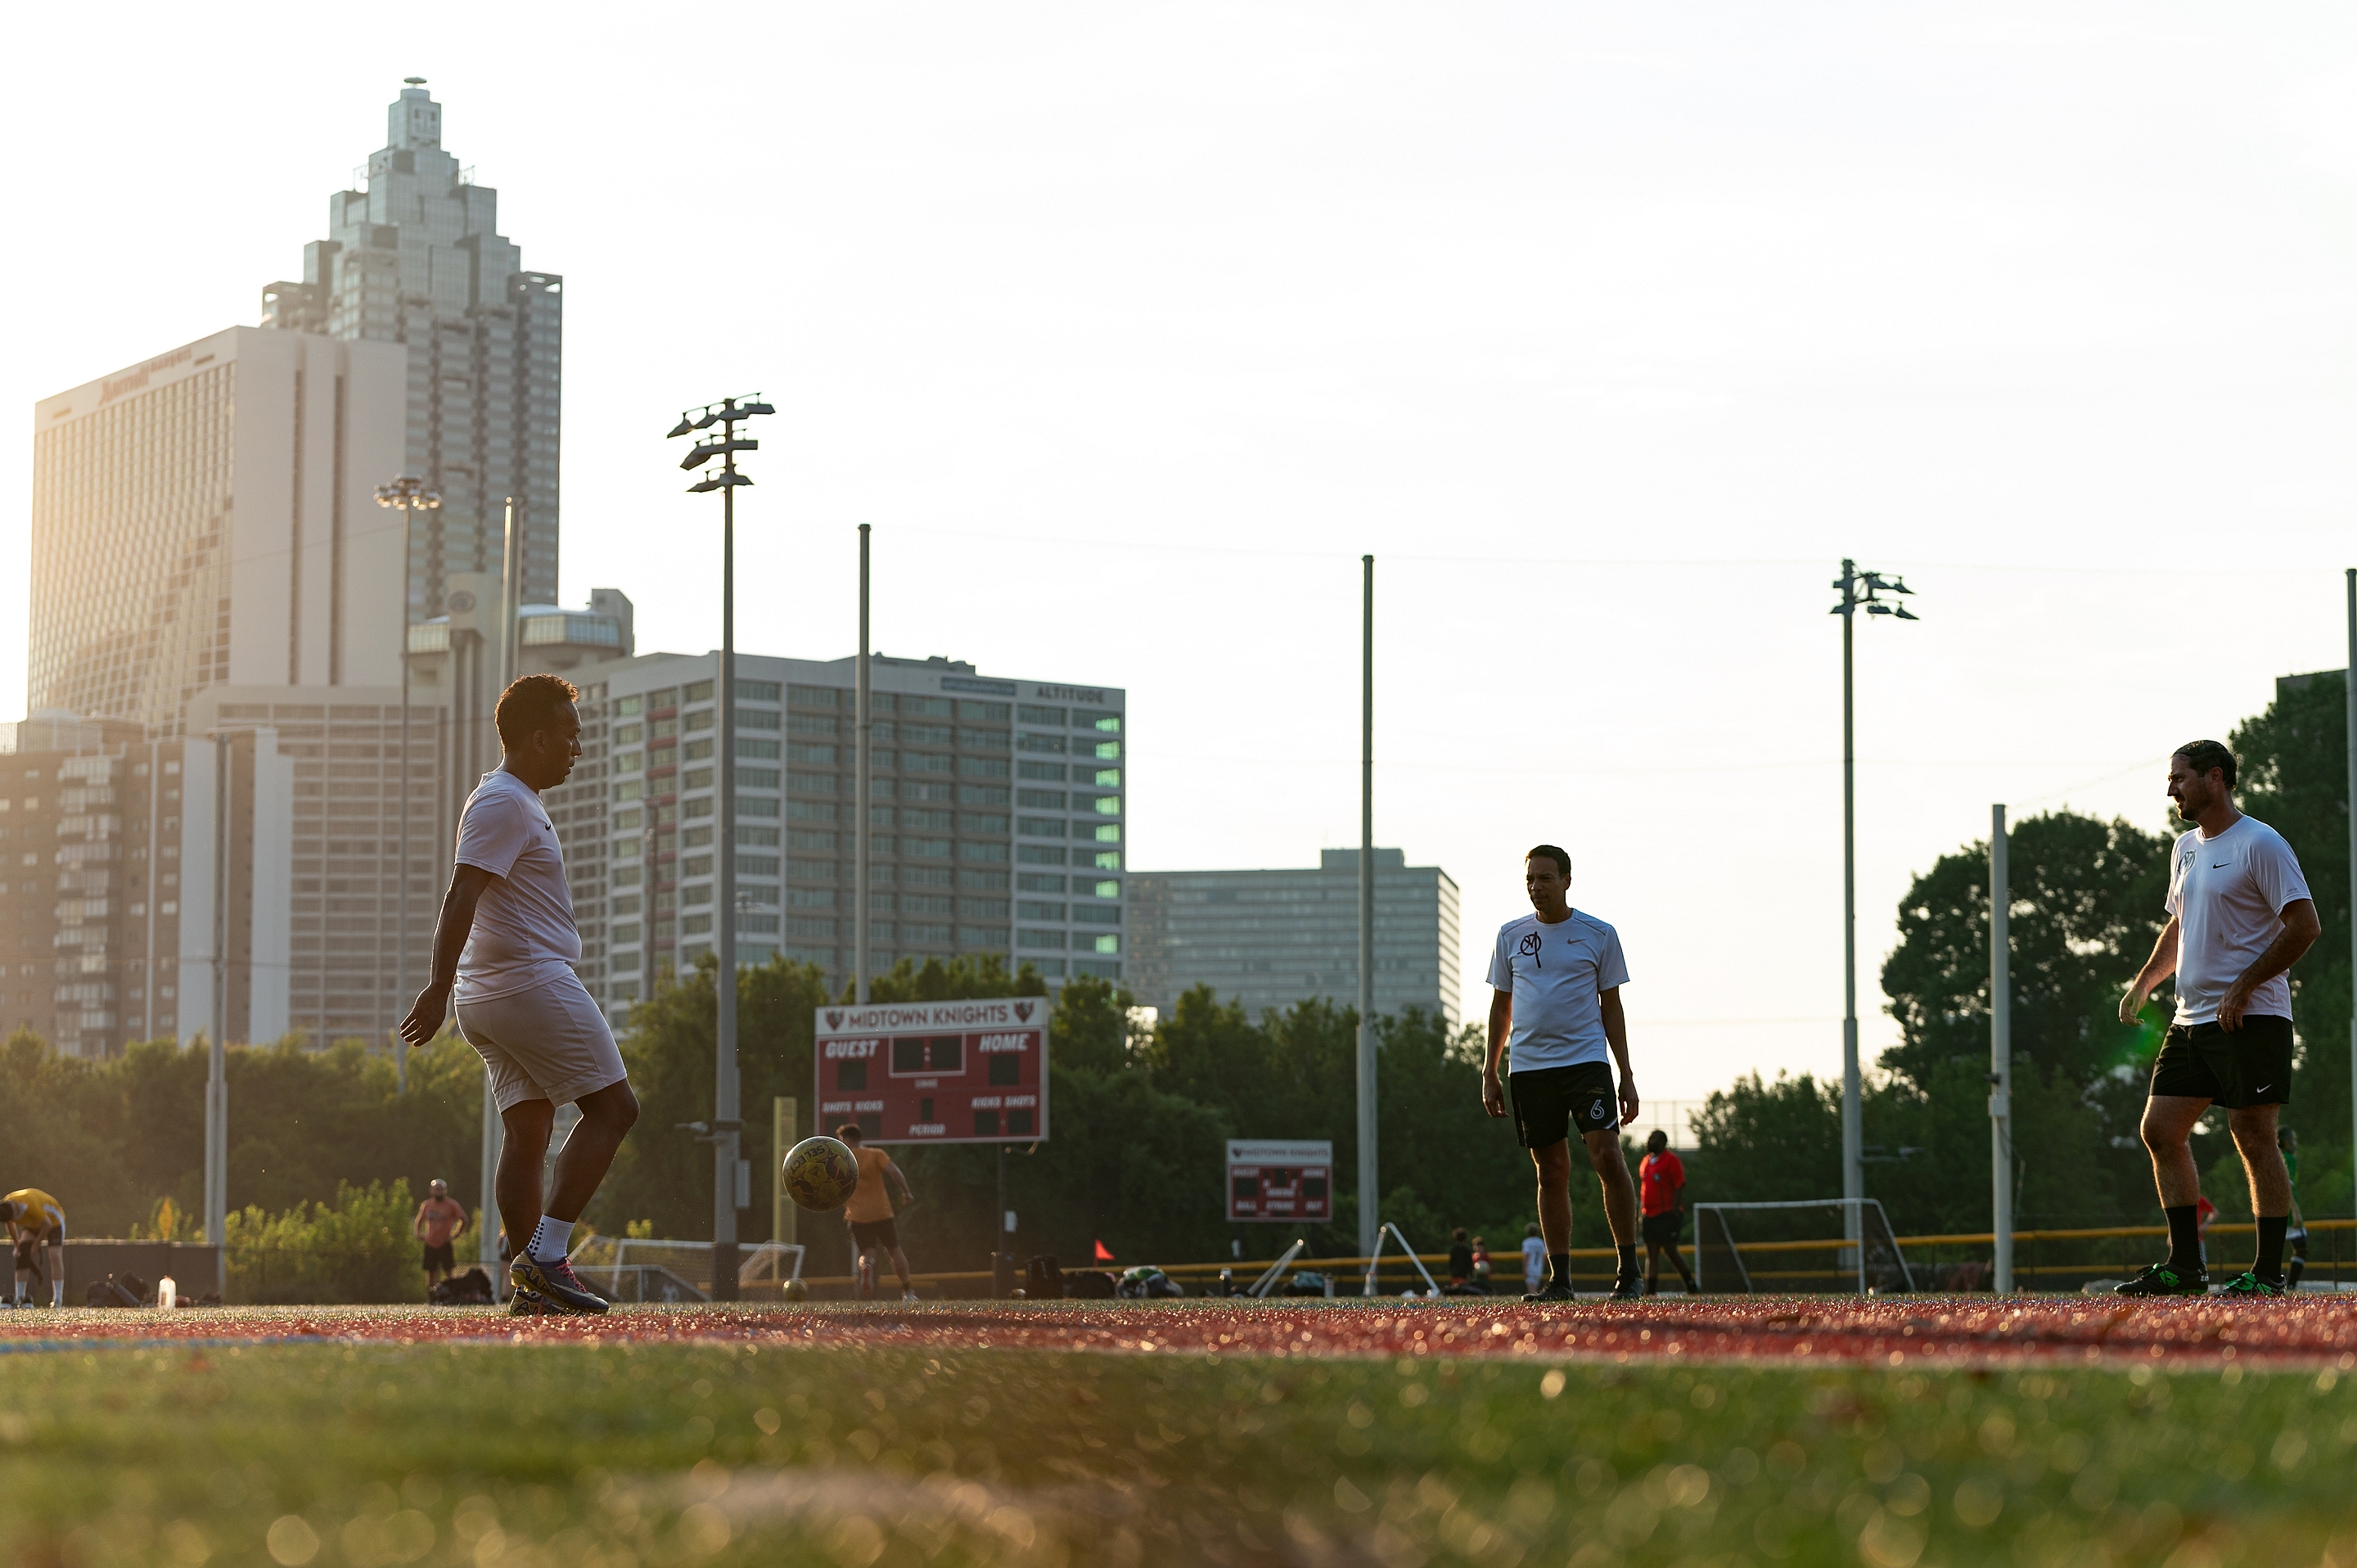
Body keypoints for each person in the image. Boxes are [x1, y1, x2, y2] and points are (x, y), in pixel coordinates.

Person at [400, 674, 639, 1317]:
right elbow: (462, 894)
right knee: (615, 1110)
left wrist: (451, 989)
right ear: (537, 738)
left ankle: (532, 1279)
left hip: (492, 992)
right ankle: (547, 1256)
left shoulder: (511, 799)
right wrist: (436, 984)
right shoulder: (504, 802)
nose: (576, 748)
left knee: (528, 1132)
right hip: (526, 980)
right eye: (569, 735)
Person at [2115, 741, 2320, 1299]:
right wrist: (2144, 982)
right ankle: (2185, 1268)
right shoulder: (2184, 848)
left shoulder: (2260, 843)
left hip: (2251, 1019)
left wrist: (2245, 985)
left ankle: (2270, 1275)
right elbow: (2180, 926)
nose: (2170, 787)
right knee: (2160, 1130)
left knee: (2253, 1136)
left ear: (2215, 777)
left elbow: (2304, 926)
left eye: (2179, 777)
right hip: (2191, 1021)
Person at [1483, 844, 1643, 1301]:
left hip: (1586, 1063)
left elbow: (1611, 1007)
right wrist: (1490, 1071)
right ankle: (1560, 1281)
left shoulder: (1599, 933)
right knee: (1550, 1171)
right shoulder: (1510, 935)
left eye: (1546, 878)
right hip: (1531, 1069)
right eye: (1530, 879)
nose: (1537, 887)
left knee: (1607, 1156)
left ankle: (1628, 1270)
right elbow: (1501, 1007)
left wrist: (1626, 1074)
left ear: (1567, 880)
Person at [839, 1124, 917, 1300]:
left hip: (857, 1216)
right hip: (881, 1213)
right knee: (894, 1251)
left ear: (848, 1140)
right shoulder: (875, 1154)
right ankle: (908, 1292)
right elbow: (894, 1171)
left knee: (867, 1253)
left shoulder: (841, 1158)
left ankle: (867, 1266)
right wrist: (906, 1191)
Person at [1638, 1129, 1697, 1294]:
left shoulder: (1671, 1160)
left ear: (1663, 1142)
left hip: (1666, 1214)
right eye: (1650, 1138)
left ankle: (1690, 1284)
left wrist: (1673, 1210)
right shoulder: (1646, 1162)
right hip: (1648, 1214)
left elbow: (1679, 1184)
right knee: (1652, 1252)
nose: (1651, 1141)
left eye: (1654, 1139)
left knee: (1670, 1251)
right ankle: (1650, 1290)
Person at [0, 1190, 64, 1307]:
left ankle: (58, 1299)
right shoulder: (6, 1206)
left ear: (15, 1209)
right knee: (23, 1255)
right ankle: (19, 1297)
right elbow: (10, 1224)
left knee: (54, 1255)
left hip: (53, 1221)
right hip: (33, 1223)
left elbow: (47, 1225)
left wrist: (36, 1245)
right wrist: (17, 1245)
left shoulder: (30, 1204)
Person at [413, 1178, 470, 1291]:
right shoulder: (427, 1205)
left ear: (445, 1191)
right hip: (430, 1243)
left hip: (444, 1243)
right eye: (437, 1189)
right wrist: (418, 1233)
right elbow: (419, 1220)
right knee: (431, 1272)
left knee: (448, 1271)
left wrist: (455, 1235)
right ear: (432, 1191)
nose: (439, 1192)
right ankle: (431, 1296)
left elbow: (464, 1220)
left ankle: (450, 1293)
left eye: (441, 1189)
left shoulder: (451, 1205)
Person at [2281, 1127, 2310, 1290]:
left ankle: (2270, 1283)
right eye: (2293, 1139)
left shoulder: (2276, 1156)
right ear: (2286, 1141)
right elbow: (2287, 1186)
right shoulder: (2288, 1158)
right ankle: (2290, 1285)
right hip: (2288, 1212)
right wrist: (2296, 1212)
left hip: (2274, 1210)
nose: (2295, 1143)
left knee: (2273, 1251)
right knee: (2301, 1249)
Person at [1521, 1222, 1548, 1295]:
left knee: (1530, 1284)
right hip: (1538, 1265)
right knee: (1535, 1283)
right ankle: (1535, 1296)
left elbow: (1527, 1255)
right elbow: (1544, 1255)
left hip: (1530, 1266)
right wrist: (1543, 1265)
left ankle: (1533, 1298)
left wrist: (1524, 1267)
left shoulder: (1527, 1242)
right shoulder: (1541, 1242)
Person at [1447, 1227, 1474, 1291]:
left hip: (1455, 1274)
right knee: (1462, 1290)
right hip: (1464, 1275)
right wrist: (1471, 1274)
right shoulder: (1467, 1250)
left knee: (1455, 1291)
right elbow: (1469, 1263)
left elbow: (1451, 1263)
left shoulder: (1453, 1249)